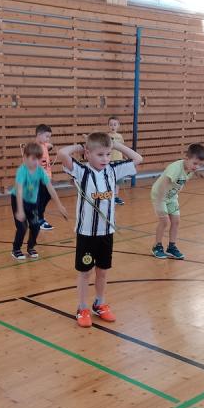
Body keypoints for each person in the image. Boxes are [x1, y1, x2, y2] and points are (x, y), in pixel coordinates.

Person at [57, 132, 143, 327]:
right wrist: (81, 147)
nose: (105, 159)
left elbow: (138, 158)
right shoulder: (81, 171)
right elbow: (62, 153)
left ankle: (99, 303)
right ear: (88, 154)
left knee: (102, 271)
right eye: (100, 155)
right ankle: (82, 307)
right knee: (85, 272)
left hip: (106, 233)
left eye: (108, 154)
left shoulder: (113, 170)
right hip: (87, 233)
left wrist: (116, 146)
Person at [11, 142, 68, 260]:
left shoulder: (40, 171)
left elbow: (50, 188)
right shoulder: (22, 171)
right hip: (18, 200)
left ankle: (31, 247)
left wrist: (60, 205)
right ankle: (16, 249)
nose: (36, 162)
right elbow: (19, 191)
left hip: (32, 202)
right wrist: (20, 210)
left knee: (36, 225)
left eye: (38, 159)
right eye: (33, 159)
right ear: (25, 157)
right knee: (22, 227)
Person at [150, 143, 204, 259]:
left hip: (172, 197)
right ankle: (157, 246)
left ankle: (171, 247)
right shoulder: (175, 168)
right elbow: (164, 183)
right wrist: (160, 200)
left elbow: (193, 173)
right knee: (164, 221)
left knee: (176, 221)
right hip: (160, 195)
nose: (197, 167)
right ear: (186, 158)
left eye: (200, 164)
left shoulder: (190, 168)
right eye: (195, 163)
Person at [33, 124, 56, 231]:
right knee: (39, 199)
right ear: (39, 134)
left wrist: (49, 146)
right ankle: (39, 219)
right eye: (46, 136)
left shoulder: (43, 145)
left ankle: (38, 216)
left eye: (49, 137)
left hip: (45, 177)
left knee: (47, 196)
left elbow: (48, 145)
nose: (48, 139)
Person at [107, 116, 127, 205]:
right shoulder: (107, 136)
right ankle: (108, 197)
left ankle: (115, 197)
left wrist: (125, 156)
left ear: (118, 126)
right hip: (109, 162)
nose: (113, 126)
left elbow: (122, 148)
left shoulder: (120, 136)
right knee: (109, 180)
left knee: (118, 180)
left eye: (115, 124)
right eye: (111, 124)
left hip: (119, 161)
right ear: (108, 125)